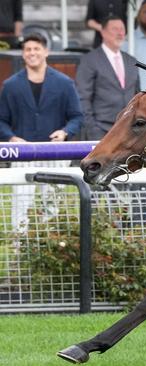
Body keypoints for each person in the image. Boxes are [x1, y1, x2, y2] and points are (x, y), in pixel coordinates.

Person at [0, 33, 83, 232]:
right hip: (23, 155)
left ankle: (51, 247)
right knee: (20, 206)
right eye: (28, 49)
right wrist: (11, 137)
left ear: (46, 52)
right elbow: (1, 120)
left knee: (52, 206)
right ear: (23, 54)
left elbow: (77, 117)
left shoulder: (64, 83)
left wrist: (64, 132)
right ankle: (19, 246)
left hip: (54, 153)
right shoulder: (10, 85)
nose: (32, 53)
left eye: (36, 49)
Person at [76, 16, 139, 141]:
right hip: (101, 131)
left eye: (122, 29)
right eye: (115, 29)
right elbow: (82, 98)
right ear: (103, 32)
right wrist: (93, 130)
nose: (120, 33)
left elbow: (138, 96)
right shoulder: (89, 60)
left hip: (129, 133)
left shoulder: (132, 61)